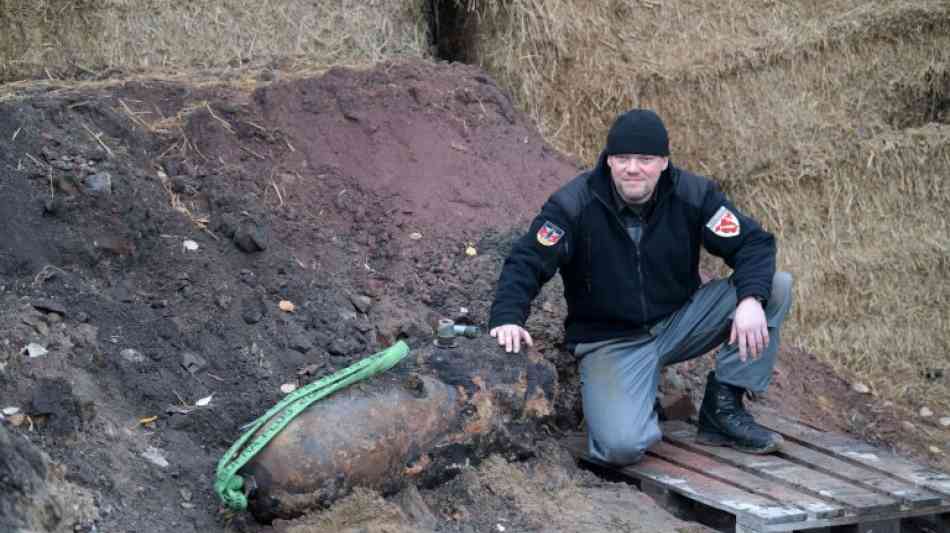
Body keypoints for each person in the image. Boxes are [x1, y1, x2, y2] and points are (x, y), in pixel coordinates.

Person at [488, 109, 793, 465]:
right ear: (609, 160)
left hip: (680, 323)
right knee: (621, 447)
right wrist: (508, 317)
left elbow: (754, 244)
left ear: (664, 161)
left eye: (645, 159)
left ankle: (723, 409)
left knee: (773, 284)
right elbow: (527, 259)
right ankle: (634, 403)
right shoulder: (573, 205)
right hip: (611, 342)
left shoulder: (694, 194)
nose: (632, 168)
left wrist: (750, 299)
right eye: (622, 158)